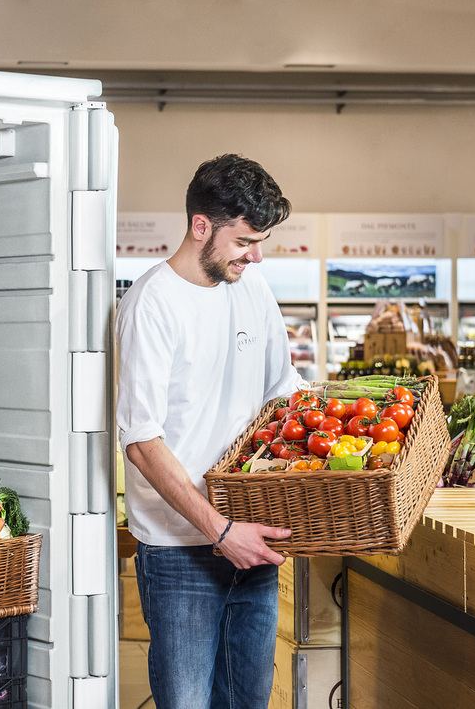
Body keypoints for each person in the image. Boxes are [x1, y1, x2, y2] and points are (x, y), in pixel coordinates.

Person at [116, 154, 305, 709]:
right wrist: (221, 532)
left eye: (262, 239)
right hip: (181, 552)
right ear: (202, 226)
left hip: (255, 541)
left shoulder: (253, 289)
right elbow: (142, 442)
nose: (257, 254)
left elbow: (284, 393)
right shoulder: (151, 304)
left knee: (247, 702)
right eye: (246, 240)